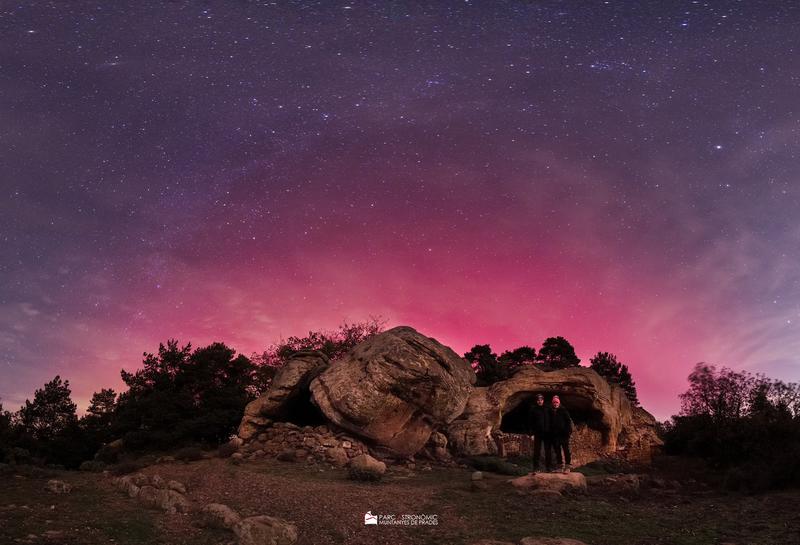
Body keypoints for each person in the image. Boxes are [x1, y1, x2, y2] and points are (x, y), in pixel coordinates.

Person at [527, 393, 552, 473]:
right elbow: (530, 422)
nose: (540, 401)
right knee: (537, 451)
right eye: (538, 400)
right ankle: (536, 468)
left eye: (541, 400)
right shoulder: (533, 409)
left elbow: (552, 420)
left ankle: (548, 468)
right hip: (537, 433)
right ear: (536, 401)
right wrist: (531, 434)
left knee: (548, 451)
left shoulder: (547, 408)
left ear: (543, 400)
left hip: (547, 433)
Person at [549, 395, 573, 473]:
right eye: (554, 402)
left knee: (566, 450)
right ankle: (559, 467)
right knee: (557, 451)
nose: (555, 404)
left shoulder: (563, 410)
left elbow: (568, 422)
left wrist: (568, 432)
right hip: (555, 435)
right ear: (552, 403)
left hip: (563, 434)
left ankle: (568, 467)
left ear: (559, 403)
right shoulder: (551, 411)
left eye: (556, 402)